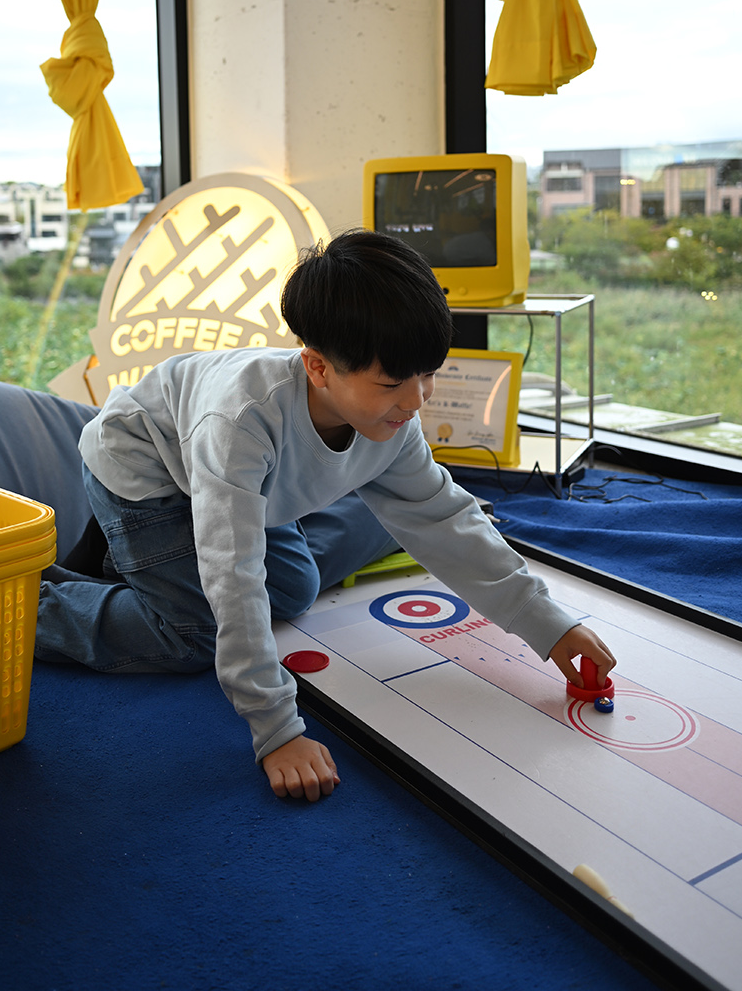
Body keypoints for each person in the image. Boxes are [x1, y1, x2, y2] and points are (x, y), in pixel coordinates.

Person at [35, 230, 616, 802]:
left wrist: (547, 623)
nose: (417, 400)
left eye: (428, 373)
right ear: (317, 367)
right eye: (392, 382)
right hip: (147, 472)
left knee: (293, 590)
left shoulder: (394, 421)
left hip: (244, 489)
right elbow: (231, 573)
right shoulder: (240, 423)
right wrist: (277, 729)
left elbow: (443, 518)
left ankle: (126, 566)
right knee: (196, 635)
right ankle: (32, 607)